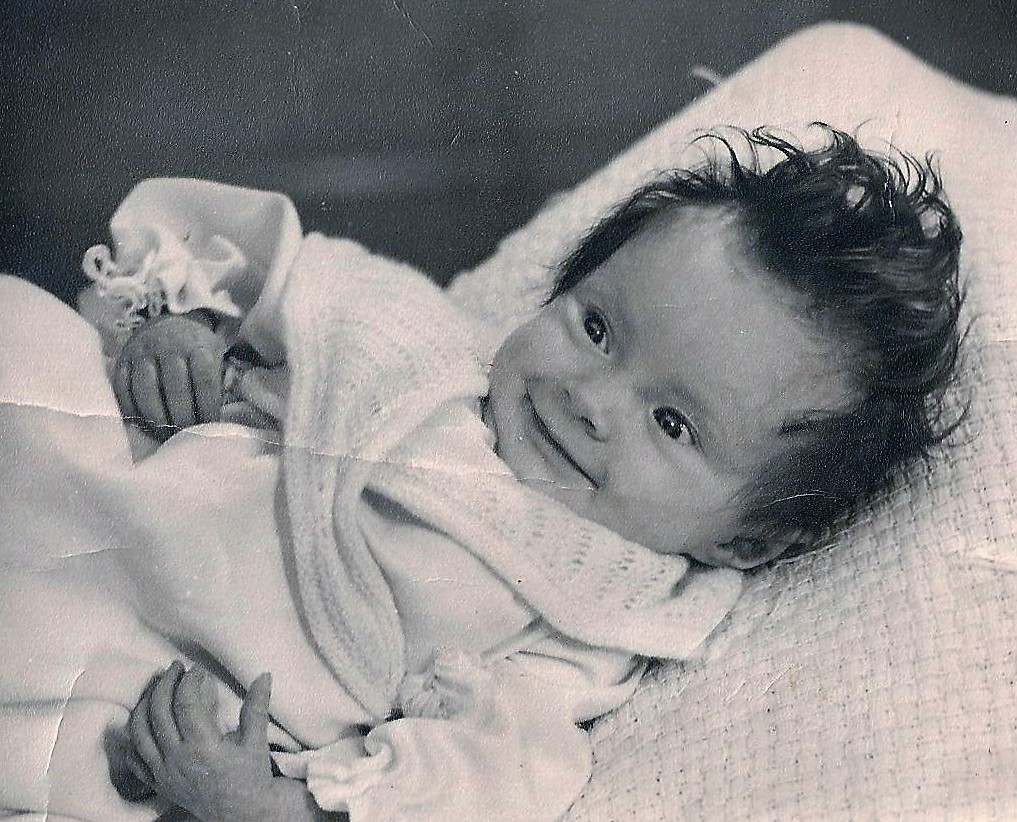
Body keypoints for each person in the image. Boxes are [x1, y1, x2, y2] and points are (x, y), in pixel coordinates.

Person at [6, 126, 961, 822]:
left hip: (136, 661)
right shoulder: (429, 345)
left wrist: (252, 803)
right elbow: (268, 279)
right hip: (101, 466)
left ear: (747, 534)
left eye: (672, 422)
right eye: (596, 327)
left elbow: (484, 776)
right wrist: (178, 332)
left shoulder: (592, 616)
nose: (590, 398)